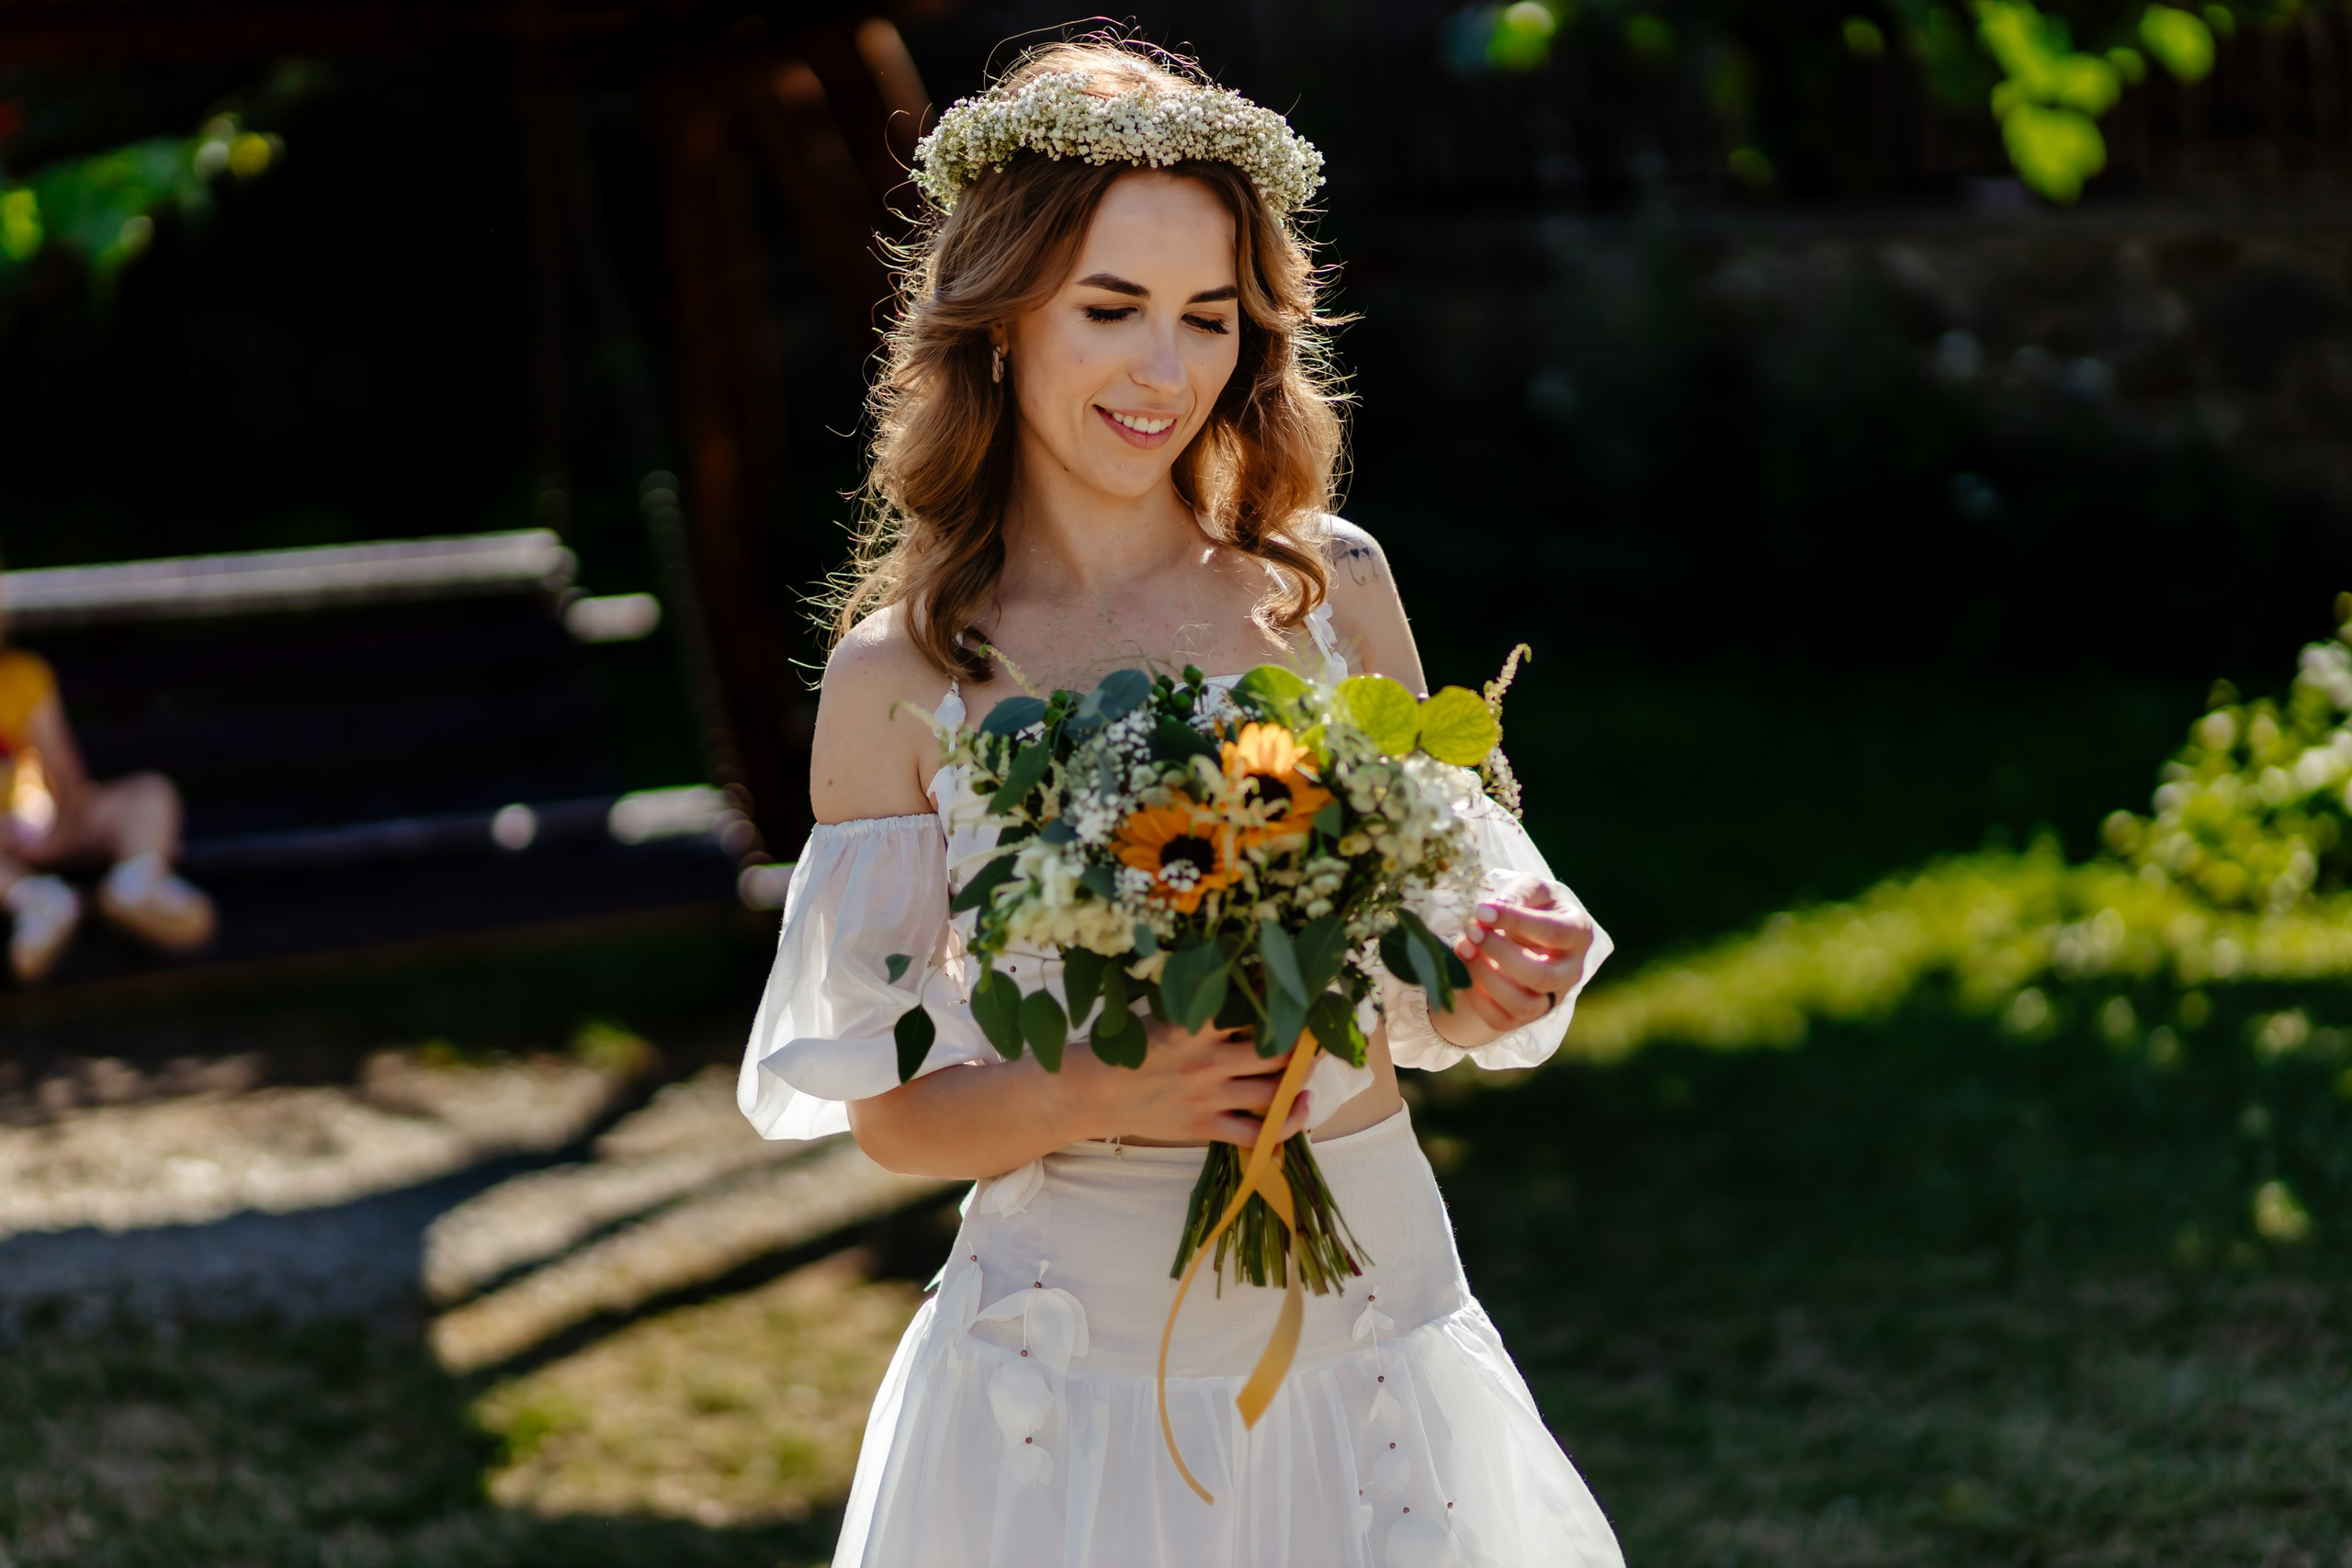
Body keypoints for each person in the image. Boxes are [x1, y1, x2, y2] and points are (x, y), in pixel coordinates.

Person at [740, 39, 1623, 1567]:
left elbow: (1435, 962)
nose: (1165, 369)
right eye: (1111, 308)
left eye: (1208, 318)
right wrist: (1101, 1088)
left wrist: (1486, 979)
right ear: (1003, 319)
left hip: (1372, 1331)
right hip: (1074, 1376)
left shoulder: (1325, 588)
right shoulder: (907, 674)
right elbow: (891, 1110)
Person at [0, 626, 216, 983]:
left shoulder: (22, 675)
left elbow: (62, 768)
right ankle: (36, 902)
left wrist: (60, 827)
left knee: (148, 793)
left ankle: (139, 881)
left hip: (54, 819)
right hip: (8, 846)